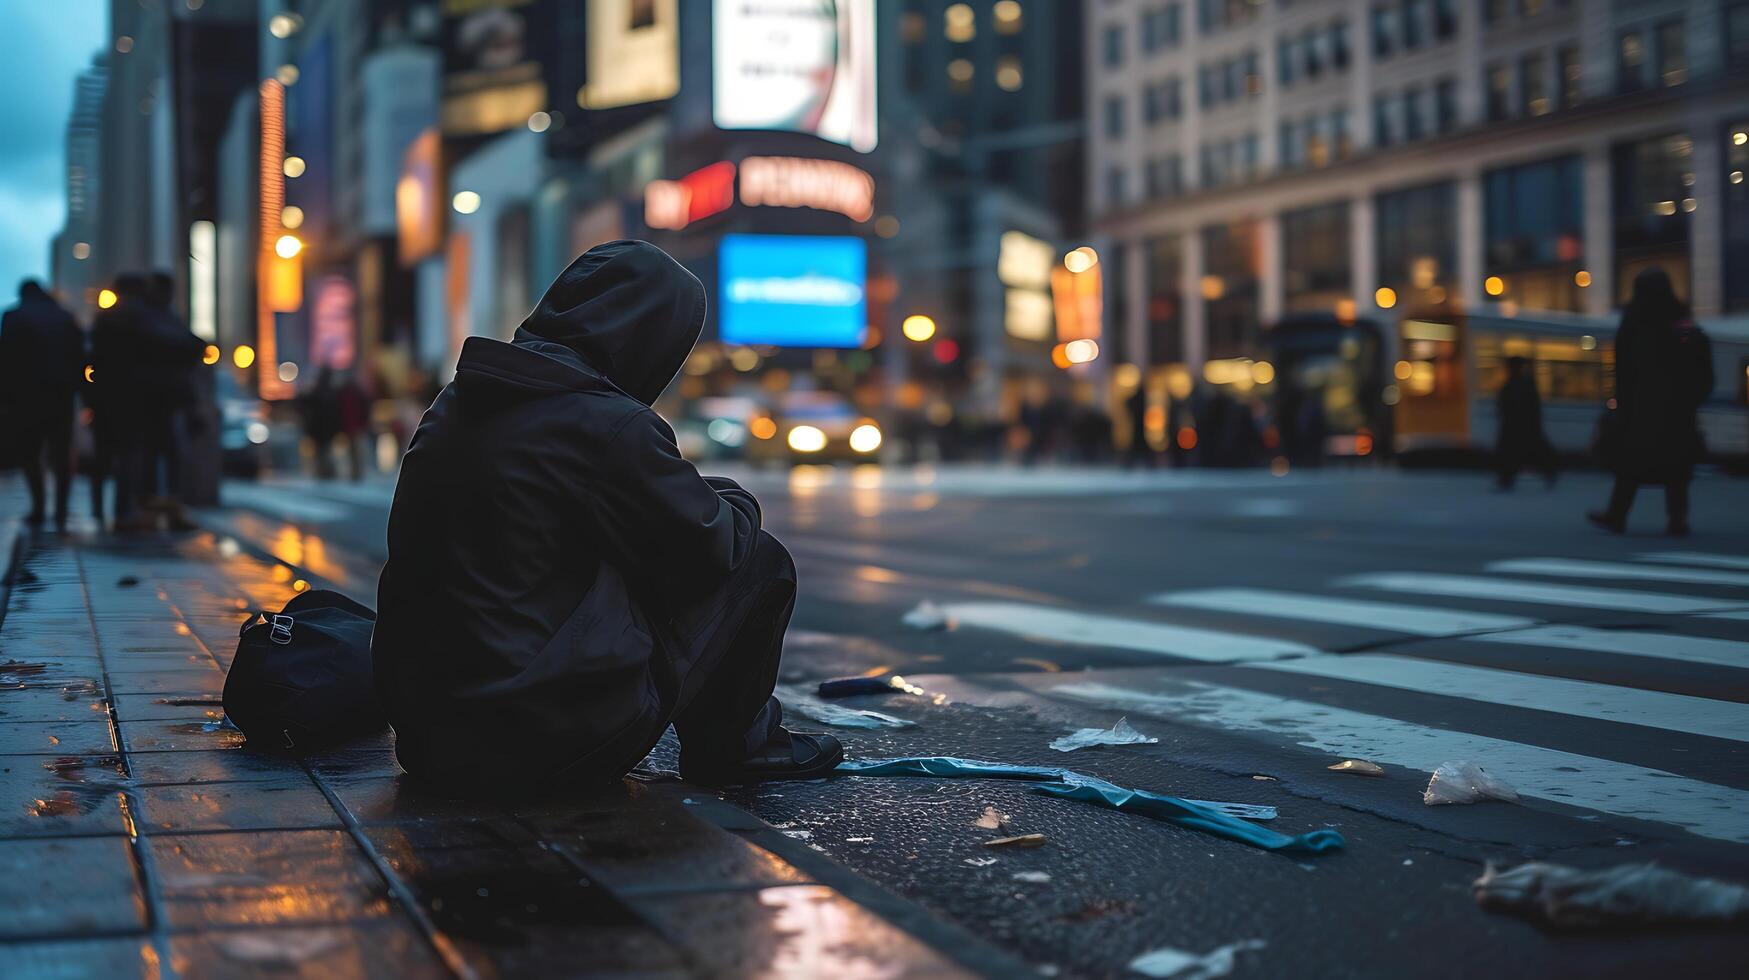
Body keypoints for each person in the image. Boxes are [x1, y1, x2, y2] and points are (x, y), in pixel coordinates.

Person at [372, 241, 841, 792]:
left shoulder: (458, 402)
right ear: (651, 340)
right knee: (760, 558)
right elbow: (717, 549)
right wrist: (735, 498)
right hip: (533, 740)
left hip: (429, 736)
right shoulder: (606, 423)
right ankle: (740, 747)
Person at [1588, 268, 1713, 536]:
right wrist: (1690, 400)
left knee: (1631, 465)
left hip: (1640, 409)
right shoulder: (1682, 321)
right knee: (1676, 468)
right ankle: (1677, 519)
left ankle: (1617, 514)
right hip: (1678, 412)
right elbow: (1702, 369)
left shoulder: (1635, 320)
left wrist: (1622, 404)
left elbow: (1623, 369)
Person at [0, 281, 85, 528]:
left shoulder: (15, 317)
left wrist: (4, 397)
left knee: (30, 451)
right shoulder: (65, 317)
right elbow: (80, 356)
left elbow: (7, 358)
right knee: (61, 452)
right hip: (61, 394)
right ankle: (60, 509)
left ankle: (38, 506)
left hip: (26, 396)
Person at [1494, 356, 1557, 490]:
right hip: (1523, 427)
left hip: (1518, 427)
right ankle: (1548, 473)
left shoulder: (1515, 384)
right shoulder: (1523, 383)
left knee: (1513, 454)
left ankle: (1506, 480)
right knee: (1528, 453)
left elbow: (1510, 406)